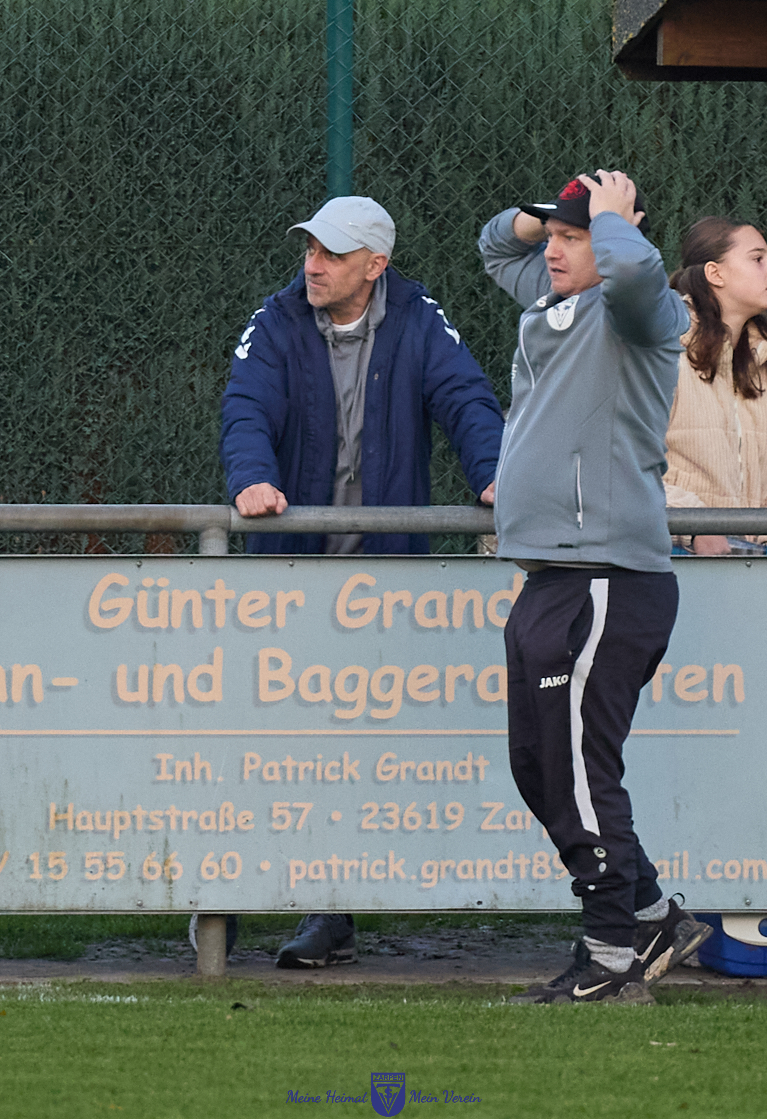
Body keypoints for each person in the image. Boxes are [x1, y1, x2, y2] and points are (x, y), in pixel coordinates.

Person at [220, 195, 503, 967]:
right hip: (290, 577)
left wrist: (493, 474)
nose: (313, 265)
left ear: (376, 265)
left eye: (333, 254)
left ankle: (330, 909)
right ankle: (224, 896)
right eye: (310, 248)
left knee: (356, 752)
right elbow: (245, 408)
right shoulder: (276, 320)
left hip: (385, 581)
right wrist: (252, 478)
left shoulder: (418, 320)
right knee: (260, 744)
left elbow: (466, 398)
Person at [479, 170, 712, 1005]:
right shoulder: (555, 304)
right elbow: (494, 249)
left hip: (609, 574)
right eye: (554, 237)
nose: (555, 251)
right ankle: (649, 915)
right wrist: (542, 218)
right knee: (539, 765)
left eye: (574, 238)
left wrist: (613, 222)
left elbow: (640, 274)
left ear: (612, 238)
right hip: (551, 572)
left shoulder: (639, 312)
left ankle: (611, 953)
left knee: (579, 768)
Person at [662, 217, 767, 556]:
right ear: (715, 273)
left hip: (755, 568)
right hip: (671, 561)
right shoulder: (663, 355)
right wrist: (694, 527)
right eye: (757, 258)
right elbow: (626, 465)